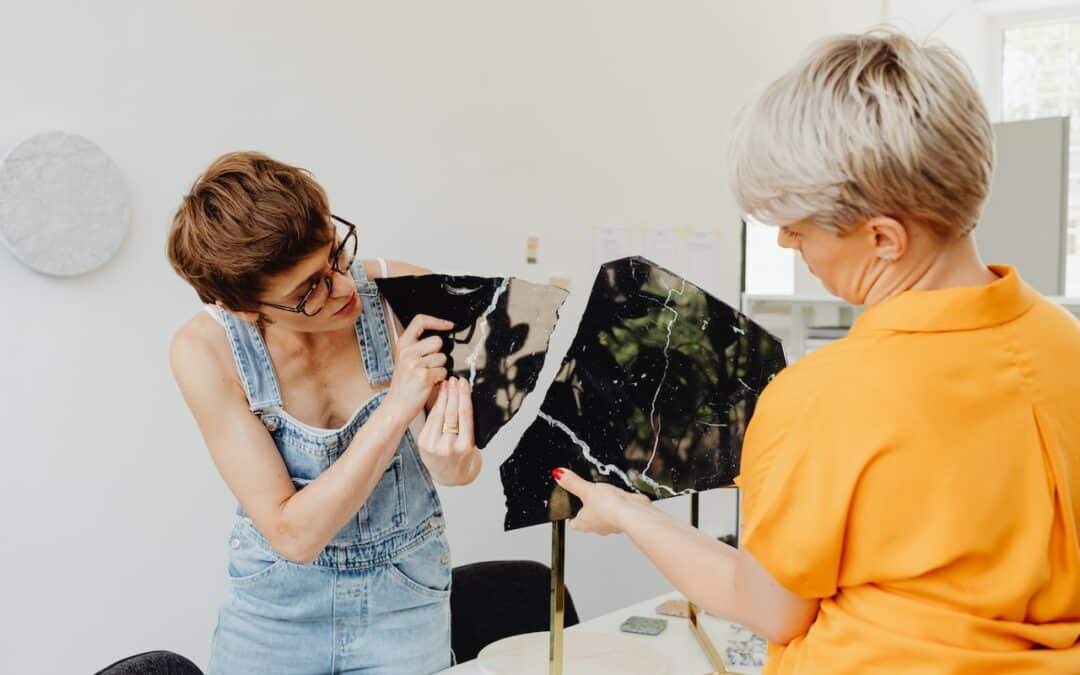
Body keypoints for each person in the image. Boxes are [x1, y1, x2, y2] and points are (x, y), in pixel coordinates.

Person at [553, 29, 1080, 673]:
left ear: (883, 238)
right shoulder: (1063, 344)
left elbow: (771, 608)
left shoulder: (828, 395)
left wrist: (631, 515)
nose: (786, 245)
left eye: (799, 230)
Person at [167, 152, 481, 674]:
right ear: (246, 309)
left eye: (335, 254)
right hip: (275, 614)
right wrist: (398, 407)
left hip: (406, 597)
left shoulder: (407, 294)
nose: (341, 286)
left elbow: (462, 469)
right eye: (308, 289)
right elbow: (294, 535)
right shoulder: (205, 351)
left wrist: (452, 457)